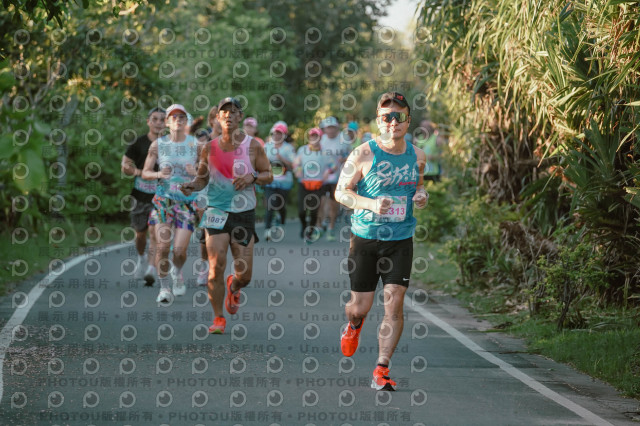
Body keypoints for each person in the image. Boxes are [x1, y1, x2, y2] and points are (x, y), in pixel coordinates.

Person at [335, 92, 428, 391]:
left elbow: (419, 186)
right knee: (359, 307)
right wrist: (371, 204)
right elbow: (341, 193)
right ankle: (354, 325)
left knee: (394, 301)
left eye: (398, 116)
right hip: (366, 238)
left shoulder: (418, 155)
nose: (392, 122)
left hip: (400, 239)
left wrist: (421, 195)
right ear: (378, 120)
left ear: (408, 121)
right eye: (386, 117)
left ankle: (381, 368)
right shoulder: (362, 153)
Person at [180, 97, 272, 334]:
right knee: (215, 266)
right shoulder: (209, 148)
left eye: (233, 112)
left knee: (245, 275)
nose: (229, 115)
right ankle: (218, 318)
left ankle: (234, 286)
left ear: (240, 117)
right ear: (217, 118)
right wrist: (192, 186)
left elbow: (268, 174)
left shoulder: (253, 146)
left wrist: (252, 177)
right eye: (224, 112)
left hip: (243, 214)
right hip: (216, 212)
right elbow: (202, 179)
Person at [142, 104, 201, 303]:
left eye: (181, 117)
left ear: (186, 121)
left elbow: (208, 173)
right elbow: (145, 172)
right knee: (163, 247)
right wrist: (159, 173)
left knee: (179, 251)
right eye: (173, 117)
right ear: (167, 122)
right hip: (163, 201)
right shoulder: (158, 144)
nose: (178, 120)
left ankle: (177, 270)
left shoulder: (196, 144)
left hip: (186, 202)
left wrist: (195, 172)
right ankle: (164, 288)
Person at [121, 107, 165, 286]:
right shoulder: (139, 143)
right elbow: (125, 165)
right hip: (140, 195)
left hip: (161, 197)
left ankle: (151, 270)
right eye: (155, 119)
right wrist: (139, 172)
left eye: (162, 119)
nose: (158, 123)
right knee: (140, 234)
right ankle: (141, 258)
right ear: (148, 122)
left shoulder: (170, 144)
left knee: (155, 232)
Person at [188, 116, 214, 287]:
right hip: (202, 194)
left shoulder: (216, 150)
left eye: (205, 141)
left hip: (220, 193)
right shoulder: (192, 153)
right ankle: (205, 267)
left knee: (220, 233)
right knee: (205, 230)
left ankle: (217, 265)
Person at [293, 127, 330, 242]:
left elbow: (332, 165)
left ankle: (309, 232)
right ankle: (304, 226)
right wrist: (298, 170)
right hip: (304, 183)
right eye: (312, 136)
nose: (314, 138)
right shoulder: (302, 150)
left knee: (314, 211)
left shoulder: (325, 152)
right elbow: (296, 163)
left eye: (316, 136)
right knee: (301, 211)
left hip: (318, 185)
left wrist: (327, 172)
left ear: (320, 138)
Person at [263, 122, 296, 241]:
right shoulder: (267, 146)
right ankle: (267, 230)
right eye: (275, 133)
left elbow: (294, 164)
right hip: (270, 180)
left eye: (279, 133)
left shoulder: (288, 148)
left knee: (280, 204)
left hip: (284, 182)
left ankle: (281, 220)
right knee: (270, 204)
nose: (276, 135)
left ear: (284, 135)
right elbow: (260, 161)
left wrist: (281, 158)